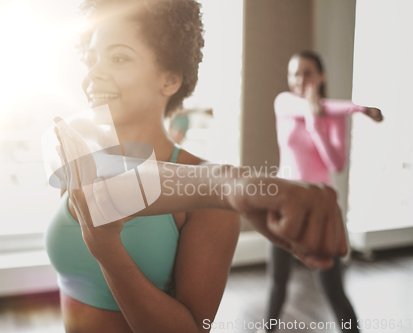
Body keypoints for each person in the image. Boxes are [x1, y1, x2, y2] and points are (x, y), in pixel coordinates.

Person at [45, 2, 349, 332]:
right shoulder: (78, 148)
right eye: (91, 59)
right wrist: (224, 183)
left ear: (170, 80)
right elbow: (109, 178)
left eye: (118, 57)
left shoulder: (212, 208)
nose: (93, 74)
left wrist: (111, 255)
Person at [263, 51, 383, 333]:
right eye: (294, 73)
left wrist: (317, 124)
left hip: (320, 208)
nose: (299, 80)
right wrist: (361, 108)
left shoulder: (333, 118)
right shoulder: (284, 103)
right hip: (284, 202)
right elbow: (321, 107)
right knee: (277, 282)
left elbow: (336, 164)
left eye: (307, 73)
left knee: (333, 291)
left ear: (321, 76)